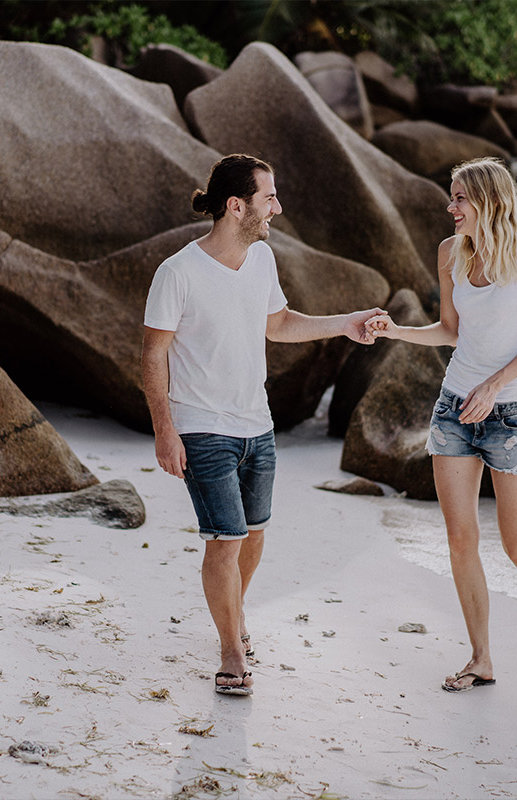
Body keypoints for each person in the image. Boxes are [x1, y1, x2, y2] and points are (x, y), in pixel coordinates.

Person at [142, 154, 383, 697]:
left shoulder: (263, 260)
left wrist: (344, 325)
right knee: (224, 541)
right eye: (269, 198)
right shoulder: (177, 272)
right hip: (203, 428)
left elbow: (277, 325)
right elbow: (152, 354)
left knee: (253, 533)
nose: (277, 207)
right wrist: (165, 430)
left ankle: (235, 615)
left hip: (259, 425)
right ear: (237, 206)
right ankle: (230, 649)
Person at [366, 157, 517, 692]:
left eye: (460, 198)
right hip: (454, 409)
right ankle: (481, 658)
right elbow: (449, 331)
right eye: (452, 197)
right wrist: (396, 331)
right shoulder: (450, 254)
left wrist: (495, 385)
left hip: (510, 413)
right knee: (461, 540)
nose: (451, 207)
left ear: (489, 200)